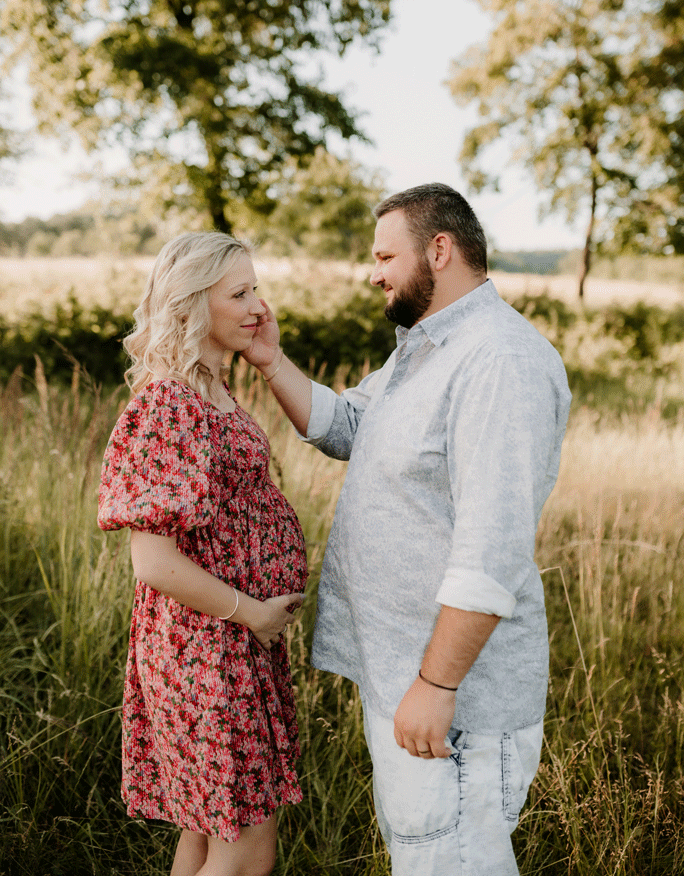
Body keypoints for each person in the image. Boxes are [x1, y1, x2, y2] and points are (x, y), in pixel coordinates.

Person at [241, 183, 572, 876]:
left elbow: (490, 551)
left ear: (440, 250)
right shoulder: (426, 347)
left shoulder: (500, 360)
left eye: (385, 256)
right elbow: (350, 425)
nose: (374, 274)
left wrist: (437, 685)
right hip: (404, 676)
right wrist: (271, 361)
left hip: (456, 701)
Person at [97, 232, 308, 876]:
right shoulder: (169, 404)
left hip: (228, 642)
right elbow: (153, 562)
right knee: (246, 851)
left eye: (256, 289)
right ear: (192, 304)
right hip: (205, 649)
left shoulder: (210, 390)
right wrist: (255, 613)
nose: (258, 306)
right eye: (239, 294)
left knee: (205, 835)